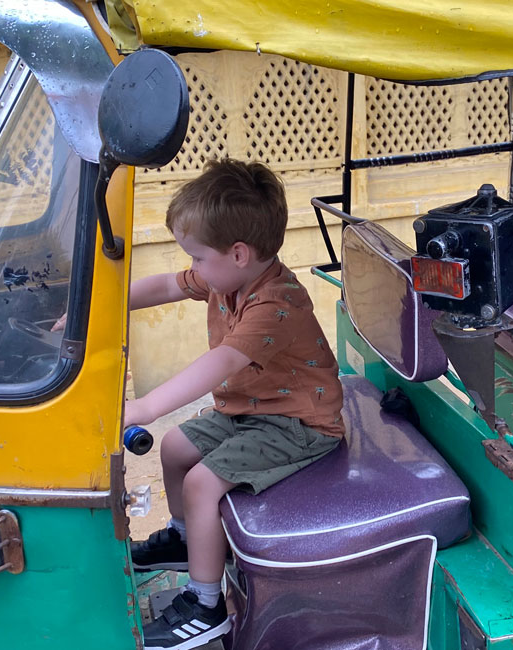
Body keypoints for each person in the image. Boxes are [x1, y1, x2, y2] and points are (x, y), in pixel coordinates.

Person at [125, 159, 345, 649]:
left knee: (203, 484)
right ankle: (185, 538)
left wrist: (144, 408)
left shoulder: (275, 304)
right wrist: (103, 306)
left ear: (239, 253)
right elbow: (164, 285)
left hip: (300, 425)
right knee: (176, 447)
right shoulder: (226, 278)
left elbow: (220, 363)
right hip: (251, 410)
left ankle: (206, 606)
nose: (194, 268)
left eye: (198, 257)